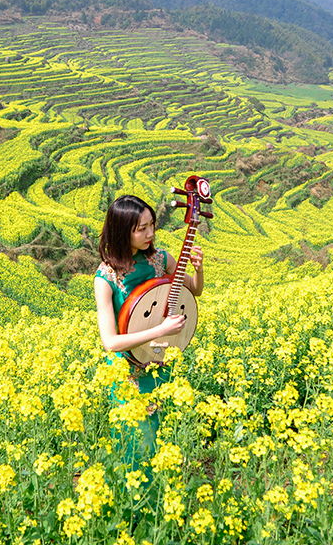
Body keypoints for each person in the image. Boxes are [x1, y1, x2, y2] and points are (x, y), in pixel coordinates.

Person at [94, 194, 203, 468]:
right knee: (136, 441)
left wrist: (199, 270)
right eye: (141, 229)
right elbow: (110, 342)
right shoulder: (105, 277)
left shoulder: (160, 260)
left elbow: (194, 290)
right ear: (122, 231)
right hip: (127, 369)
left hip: (159, 361)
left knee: (164, 436)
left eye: (151, 225)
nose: (150, 233)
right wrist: (159, 329)